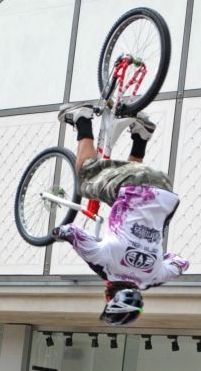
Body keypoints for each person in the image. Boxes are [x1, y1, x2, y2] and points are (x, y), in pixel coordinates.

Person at [54, 108, 189, 325]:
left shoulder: (153, 277)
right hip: (132, 185)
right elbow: (72, 232)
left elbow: (182, 263)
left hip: (164, 190)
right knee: (86, 178)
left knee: (126, 204)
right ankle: (82, 118)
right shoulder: (105, 266)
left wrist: (151, 254)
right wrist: (58, 233)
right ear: (108, 296)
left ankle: (141, 136)